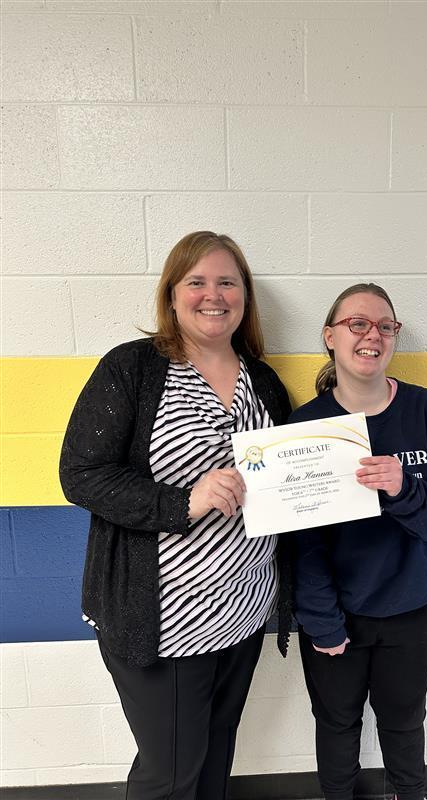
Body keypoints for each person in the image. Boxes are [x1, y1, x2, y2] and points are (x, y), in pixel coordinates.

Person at [59, 231, 292, 800]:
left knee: (213, 754)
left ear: (245, 298)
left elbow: (284, 479)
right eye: (197, 282)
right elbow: (80, 475)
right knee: (169, 774)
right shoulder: (133, 369)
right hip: (163, 619)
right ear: (172, 294)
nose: (213, 295)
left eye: (228, 282)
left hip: (243, 610)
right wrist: (183, 500)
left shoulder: (262, 380)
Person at [290, 283, 427, 800]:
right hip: (338, 615)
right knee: (336, 724)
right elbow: (301, 544)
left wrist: (403, 487)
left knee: (403, 723)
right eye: (357, 324)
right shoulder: (303, 428)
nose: (372, 335)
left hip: (413, 608)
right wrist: (322, 622)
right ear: (330, 337)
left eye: (385, 326)